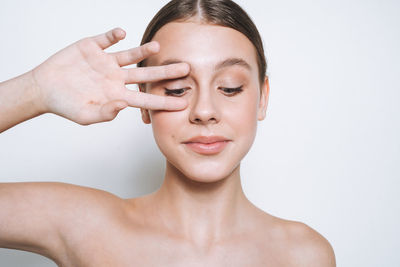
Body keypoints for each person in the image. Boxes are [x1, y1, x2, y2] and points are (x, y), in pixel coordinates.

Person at [0, 0, 336, 266]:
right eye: (176, 90)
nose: (204, 111)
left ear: (262, 98)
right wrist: (35, 91)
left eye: (230, 88)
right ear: (143, 102)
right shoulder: (84, 224)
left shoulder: (305, 255)